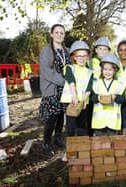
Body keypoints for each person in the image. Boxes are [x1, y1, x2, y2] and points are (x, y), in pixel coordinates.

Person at [39, 24, 70, 156]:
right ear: (51, 34)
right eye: (56, 32)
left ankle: (57, 138)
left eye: (62, 33)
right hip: (52, 89)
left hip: (65, 90)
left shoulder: (67, 51)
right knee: (52, 117)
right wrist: (64, 81)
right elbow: (47, 72)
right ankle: (46, 141)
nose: (59, 35)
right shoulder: (46, 51)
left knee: (61, 115)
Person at [60, 41, 93, 136]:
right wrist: (74, 95)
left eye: (84, 56)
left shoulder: (90, 72)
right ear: (74, 57)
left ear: (87, 57)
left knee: (81, 126)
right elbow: (71, 81)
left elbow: (89, 87)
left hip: (82, 102)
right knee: (70, 126)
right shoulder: (69, 68)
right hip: (71, 101)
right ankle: (70, 147)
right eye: (79, 56)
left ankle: (80, 146)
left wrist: (84, 100)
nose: (82, 59)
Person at [91, 54, 126, 135]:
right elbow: (92, 98)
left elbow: (122, 100)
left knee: (111, 144)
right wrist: (97, 98)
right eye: (105, 69)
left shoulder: (120, 85)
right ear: (101, 70)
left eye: (110, 70)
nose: (107, 72)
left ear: (115, 71)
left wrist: (116, 97)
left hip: (113, 122)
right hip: (99, 122)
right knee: (99, 144)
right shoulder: (96, 83)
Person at [87, 37, 111, 136]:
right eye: (100, 48)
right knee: (91, 118)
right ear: (96, 50)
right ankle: (91, 135)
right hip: (93, 94)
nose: (102, 51)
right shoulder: (90, 62)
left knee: (104, 117)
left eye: (105, 49)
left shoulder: (110, 63)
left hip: (106, 94)